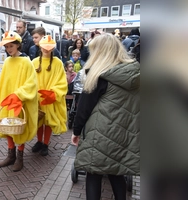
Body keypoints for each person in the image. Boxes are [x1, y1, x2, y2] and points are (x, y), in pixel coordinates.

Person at [71, 33, 140, 200]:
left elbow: (84, 108)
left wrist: (76, 131)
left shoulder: (99, 75)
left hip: (100, 133)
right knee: (116, 173)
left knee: (94, 173)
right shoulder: (134, 74)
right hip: (124, 133)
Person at [0, 31, 38, 172]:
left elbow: (31, 83)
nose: (8, 49)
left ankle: (20, 158)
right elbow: (3, 82)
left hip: (19, 101)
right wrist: (2, 97)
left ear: (18, 45)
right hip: (8, 100)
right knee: (8, 127)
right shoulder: (7, 61)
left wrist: (19, 95)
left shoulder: (26, 61)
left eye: (11, 46)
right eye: (6, 47)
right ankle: (11, 155)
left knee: (18, 128)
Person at [31, 36, 68, 156]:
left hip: (50, 98)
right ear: (40, 47)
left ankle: (46, 143)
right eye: (44, 47)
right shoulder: (34, 62)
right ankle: (39, 141)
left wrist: (53, 93)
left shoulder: (57, 63)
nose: (46, 50)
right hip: (37, 97)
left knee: (48, 121)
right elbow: (29, 79)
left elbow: (62, 81)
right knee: (38, 120)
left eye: (49, 48)